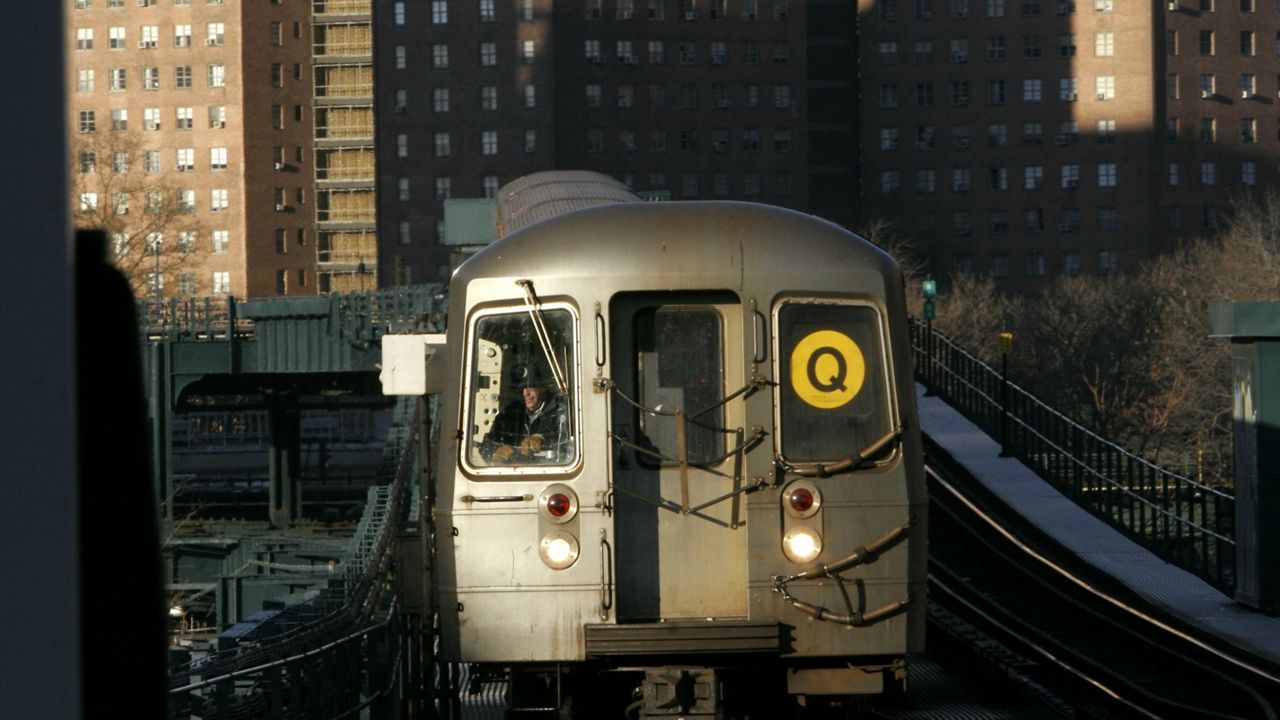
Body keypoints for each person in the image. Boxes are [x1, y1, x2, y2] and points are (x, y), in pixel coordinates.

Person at [482, 376, 569, 464]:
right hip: (513, 472)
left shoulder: (561, 409)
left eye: (530, 387)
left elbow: (567, 440)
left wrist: (542, 438)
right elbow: (486, 445)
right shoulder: (510, 412)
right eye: (522, 389)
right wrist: (495, 451)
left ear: (543, 388)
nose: (525, 393)